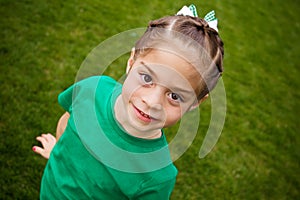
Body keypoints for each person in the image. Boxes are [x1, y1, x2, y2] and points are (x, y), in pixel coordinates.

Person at [33, 5, 224, 199]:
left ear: (195, 103)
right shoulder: (91, 89)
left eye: (175, 96)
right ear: (131, 61)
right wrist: (58, 153)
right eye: (147, 78)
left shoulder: (157, 176)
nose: (151, 102)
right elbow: (68, 121)